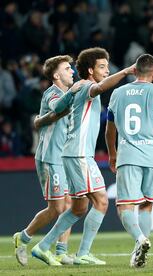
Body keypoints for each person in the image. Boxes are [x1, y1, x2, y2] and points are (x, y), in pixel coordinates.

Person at [31, 47, 135, 266]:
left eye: (108, 66)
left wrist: (68, 94)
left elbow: (60, 107)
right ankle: (82, 253)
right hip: (79, 155)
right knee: (102, 201)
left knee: (79, 208)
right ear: (90, 70)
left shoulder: (78, 88)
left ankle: (43, 247)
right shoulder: (88, 86)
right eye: (102, 67)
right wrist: (126, 72)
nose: (107, 71)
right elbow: (101, 86)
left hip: (73, 154)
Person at [105, 54, 153, 268]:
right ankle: (140, 252)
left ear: (134, 71)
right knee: (146, 205)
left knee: (124, 207)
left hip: (129, 155)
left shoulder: (118, 93)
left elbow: (110, 129)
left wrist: (112, 153)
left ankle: (139, 239)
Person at [13, 55, 82, 266]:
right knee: (57, 208)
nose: (72, 71)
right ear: (56, 75)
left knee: (70, 204)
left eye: (71, 68)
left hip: (65, 157)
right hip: (50, 158)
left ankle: (61, 251)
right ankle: (22, 237)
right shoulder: (52, 94)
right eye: (67, 68)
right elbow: (57, 109)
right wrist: (73, 92)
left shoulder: (70, 94)